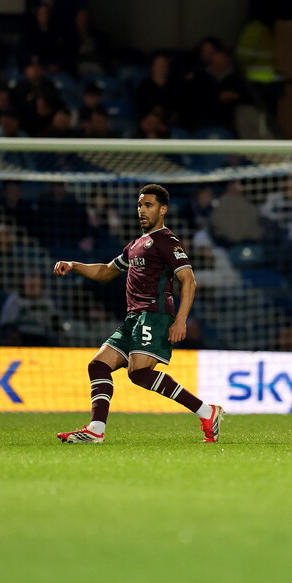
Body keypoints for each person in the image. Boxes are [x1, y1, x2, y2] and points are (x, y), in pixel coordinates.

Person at [52, 183, 224, 444]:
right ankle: (96, 430)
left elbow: (189, 281)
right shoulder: (135, 245)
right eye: (140, 205)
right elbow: (107, 271)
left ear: (163, 209)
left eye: (149, 205)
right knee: (98, 365)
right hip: (133, 318)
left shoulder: (167, 241)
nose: (142, 210)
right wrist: (74, 265)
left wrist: (180, 321)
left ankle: (205, 411)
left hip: (154, 316)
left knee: (140, 373)